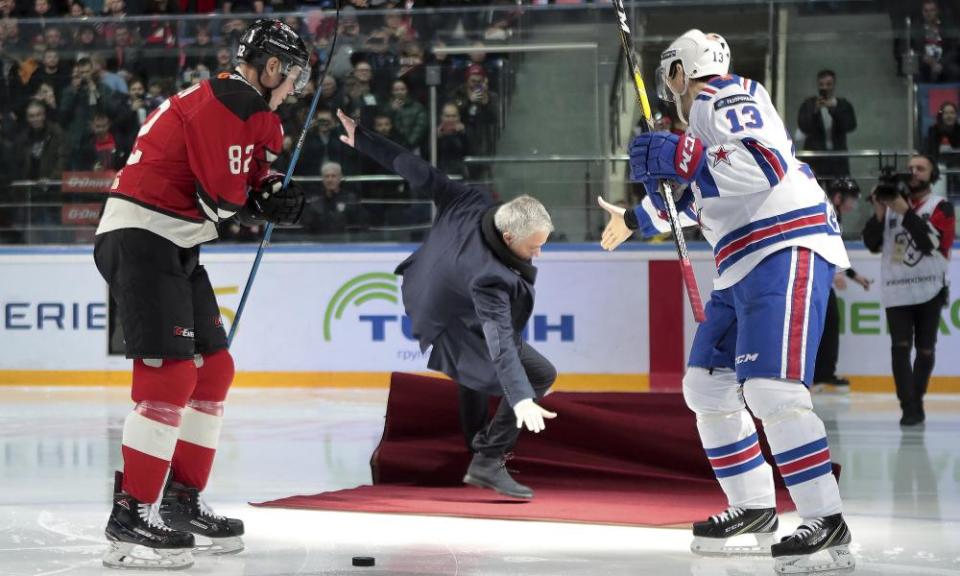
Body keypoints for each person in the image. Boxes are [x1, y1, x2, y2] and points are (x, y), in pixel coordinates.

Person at [597, 30, 855, 573]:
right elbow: (696, 198)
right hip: (740, 261)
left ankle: (825, 518)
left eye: (669, 73)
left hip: (785, 244)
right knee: (707, 386)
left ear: (677, 72)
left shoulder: (727, 97)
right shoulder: (701, 123)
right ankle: (754, 506)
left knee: (772, 390)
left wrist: (684, 155)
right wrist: (636, 216)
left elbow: (763, 167)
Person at [93, 19, 309, 570]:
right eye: (292, 78)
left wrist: (271, 190)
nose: (293, 91)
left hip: (172, 238)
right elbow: (221, 200)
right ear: (272, 67)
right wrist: (263, 201)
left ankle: (182, 500)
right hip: (141, 235)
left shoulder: (240, 105)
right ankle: (131, 513)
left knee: (213, 370)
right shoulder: (232, 103)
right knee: (170, 376)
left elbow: (248, 178)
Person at [336, 108, 558, 501]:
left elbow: (419, 172)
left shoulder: (469, 200)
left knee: (474, 368)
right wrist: (522, 397)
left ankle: (477, 445)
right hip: (449, 310)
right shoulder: (492, 278)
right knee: (539, 373)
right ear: (508, 236)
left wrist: (365, 139)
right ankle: (488, 459)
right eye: (533, 246)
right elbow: (502, 343)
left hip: (431, 285)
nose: (538, 253)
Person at [862, 154, 955, 426]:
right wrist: (880, 213)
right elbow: (872, 243)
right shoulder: (891, 206)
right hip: (897, 289)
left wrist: (904, 211)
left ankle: (918, 398)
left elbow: (931, 244)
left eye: (921, 168)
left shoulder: (942, 207)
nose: (914, 172)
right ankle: (909, 406)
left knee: (925, 349)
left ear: (932, 174)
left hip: (930, 289)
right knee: (900, 347)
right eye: (911, 168)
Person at [813, 177, 873, 390]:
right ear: (838, 197)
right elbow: (821, 246)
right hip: (815, 280)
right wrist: (833, 272)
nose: (854, 205)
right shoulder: (825, 213)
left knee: (829, 324)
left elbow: (836, 253)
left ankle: (823, 373)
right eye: (852, 199)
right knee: (824, 325)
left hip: (821, 279)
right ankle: (818, 374)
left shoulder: (832, 214)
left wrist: (855, 277)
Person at [796, 70, 857, 181]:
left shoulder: (843, 105)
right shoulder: (808, 105)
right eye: (822, 84)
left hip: (837, 159)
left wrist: (834, 110)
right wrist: (814, 111)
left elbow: (850, 125)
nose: (825, 88)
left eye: (829, 84)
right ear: (818, 85)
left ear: (834, 85)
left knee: (838, 195)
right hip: (815, 158)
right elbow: (804, 127)